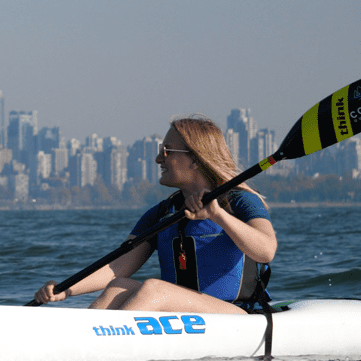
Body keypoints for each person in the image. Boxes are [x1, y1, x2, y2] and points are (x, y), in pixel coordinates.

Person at [34, 116, 276, 315]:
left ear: (195, 159)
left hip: (237, 313)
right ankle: (85, 338)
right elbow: (116, 267)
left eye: (167, 151)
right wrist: (67, 290)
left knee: (154, 289)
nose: (159, 159)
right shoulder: (161, 213)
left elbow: (266, 251)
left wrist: (217, 215)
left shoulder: (240, 201)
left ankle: (101, 345)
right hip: (183, 313)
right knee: (119, 286)